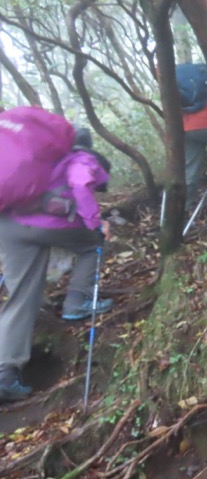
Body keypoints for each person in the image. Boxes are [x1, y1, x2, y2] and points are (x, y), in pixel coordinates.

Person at [0, 126, 113, 402]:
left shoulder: (38, 161)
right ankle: (77, 303)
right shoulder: (82, 158)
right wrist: (95, 223)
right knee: (91, 244)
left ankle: (6, 374)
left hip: (10, 225)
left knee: (21, 296)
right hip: (45, 223)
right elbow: (80, 183)